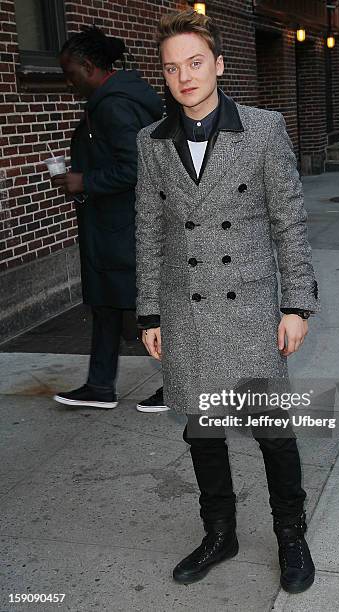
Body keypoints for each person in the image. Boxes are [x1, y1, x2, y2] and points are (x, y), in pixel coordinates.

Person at [135, 9, 320, 593]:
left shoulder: (263, 129)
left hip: (249, 311)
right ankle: (221, 533)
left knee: (270, 430)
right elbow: (148, 229)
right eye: (172, 69)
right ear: (163, 78)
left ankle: (291, 536)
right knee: (203, 430)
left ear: (218, 64)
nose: (185, 77)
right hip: (185, 310)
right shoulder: (152, 141)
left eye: (195, 63)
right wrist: (149, 310)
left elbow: (288, 221)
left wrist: (297, 305)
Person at [52, 25, 166, 411]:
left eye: (71, 74)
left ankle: (180, 383)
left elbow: (135, 167)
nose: (69, 83)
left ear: (88, 66)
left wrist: (84, 180)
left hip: (124, 227)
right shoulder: (113, 98)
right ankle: (100, 386)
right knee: (105, 304)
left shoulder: (114, 104)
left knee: (146, 305)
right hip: (111, 226)